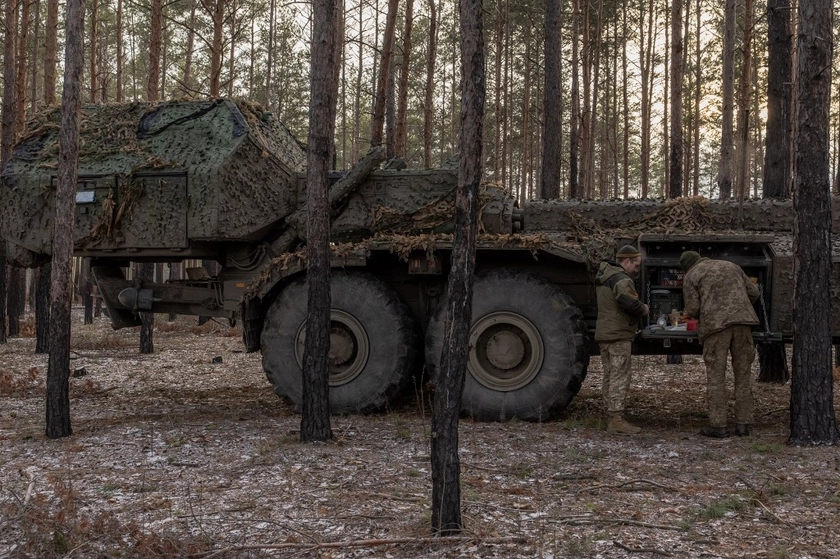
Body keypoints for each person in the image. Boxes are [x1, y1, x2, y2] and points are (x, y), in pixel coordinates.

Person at [680, 250, 760, 438]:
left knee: (716, 376)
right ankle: (744, 424)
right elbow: (754, 292)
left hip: (716, 328)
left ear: (687, 267)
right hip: (744, 323)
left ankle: (718, 425)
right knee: (743, 375)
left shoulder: (692, 275)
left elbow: (693, 309)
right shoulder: (731, 266)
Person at [594, 245, 649, 434]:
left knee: (609, 375)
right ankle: (616, 419)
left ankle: (610, 414)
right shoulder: (622, 279)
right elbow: (629, 303)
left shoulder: (605, 276)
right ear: (626, 261)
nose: (636, 269)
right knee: (619, 375)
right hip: (618, 334)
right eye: (635, 265)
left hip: (605, 333)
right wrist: (644, 309)